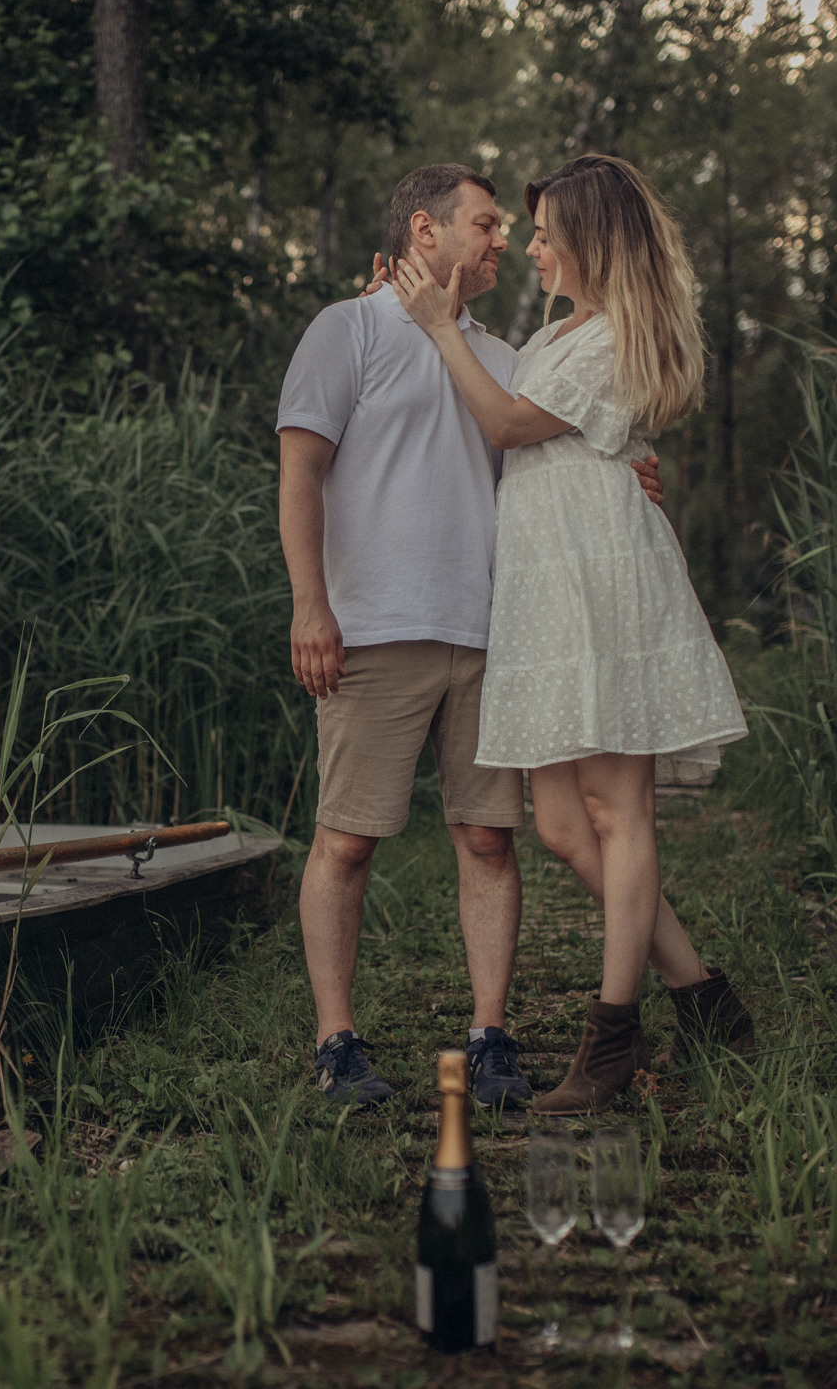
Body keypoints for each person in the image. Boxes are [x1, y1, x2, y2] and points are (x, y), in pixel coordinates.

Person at [275, 163, 663, 1111]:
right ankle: (336, 1041)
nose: (502, 243)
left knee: (490, 839)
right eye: (485, 225)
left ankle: (490, 1036)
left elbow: (554, 452)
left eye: (504, 229)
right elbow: (298, 473)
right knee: (345, 841)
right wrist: (310, 606)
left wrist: (628, 473)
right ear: (423, 231)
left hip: (490, 631)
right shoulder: (346, 329)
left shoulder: (503, 353)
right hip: (371, 629)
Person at [387, 153, 754, 1116]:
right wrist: (423, 315)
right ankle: (702, 994)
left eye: (546, 233)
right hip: (546, 586)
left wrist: (434, 326)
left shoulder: (613, 335)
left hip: (599, 577)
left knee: (616, 810)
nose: (533, 247)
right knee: (557, 826)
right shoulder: (560, 333)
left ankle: (611, 1040)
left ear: (591, 240)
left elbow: (506, 424)